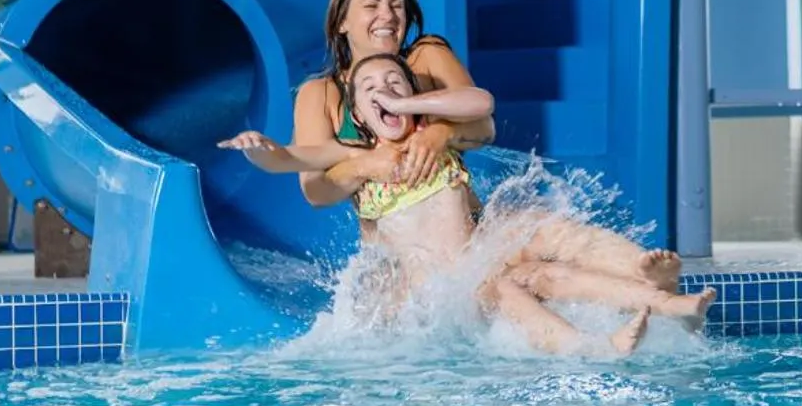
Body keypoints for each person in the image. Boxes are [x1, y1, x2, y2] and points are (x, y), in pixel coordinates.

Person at [226, 52, 713, 356]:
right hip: (445, 295)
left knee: (544, 260)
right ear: (358, 114)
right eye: (372, 91)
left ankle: (669, 301)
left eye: (396, 84)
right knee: (512, 288)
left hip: (477, 261)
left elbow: (478, 103)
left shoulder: (438, 139)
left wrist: (408, 105)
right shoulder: (359, 155)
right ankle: (594, 349)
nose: (387, 93)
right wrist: (260, 150)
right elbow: (292, 158)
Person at [294, 0, 682, 292]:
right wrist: (369, 164)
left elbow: (483, 126)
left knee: (548, 228)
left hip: (468, 232)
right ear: (342, 20)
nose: (388, 16)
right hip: (399, 259)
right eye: (372, 5)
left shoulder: (427, 57)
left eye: (397, 6)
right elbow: (315, 190)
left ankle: (646, 273)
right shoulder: (321, 94)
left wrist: (440, 133)